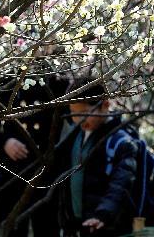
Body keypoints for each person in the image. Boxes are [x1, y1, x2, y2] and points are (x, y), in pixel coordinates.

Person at [0, 52, 69, 236]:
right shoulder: (6, 81)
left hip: (47, 171)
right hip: (11, 172)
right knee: (12, 229)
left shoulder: (58, 79)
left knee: (48, 228)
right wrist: (4, 142)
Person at [56, 76, 138, 237]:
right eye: (74, 113)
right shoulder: (74, 136)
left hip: (105, 225)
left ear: (105, 105)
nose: (79, 120)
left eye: (85, 112)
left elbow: (120, 184)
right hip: (75, 225)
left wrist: (104, 214)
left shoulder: (121, 142)